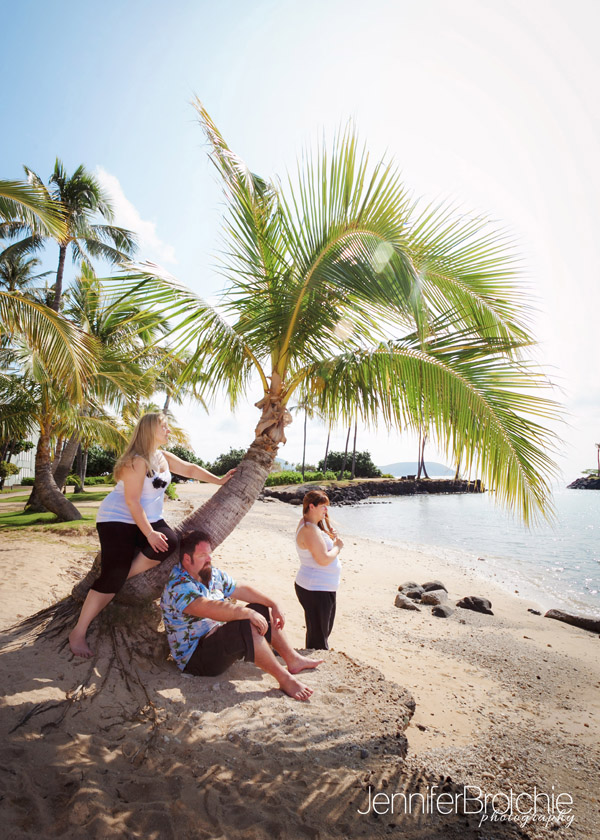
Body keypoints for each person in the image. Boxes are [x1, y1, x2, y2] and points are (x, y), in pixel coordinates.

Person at [68, 413, 234, 658]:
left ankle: (122, 572)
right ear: (149, 431)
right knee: (112, 577)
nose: (169, 431)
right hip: (118, 518)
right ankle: (78, 632)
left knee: (171, 542)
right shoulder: (136, 461)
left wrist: (218, 480)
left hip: (150, 516)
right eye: (164, 427)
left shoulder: (162, 457)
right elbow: (133, 502)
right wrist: (150, 534)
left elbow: (189, 468)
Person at [161, 530, 323, 701]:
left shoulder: (209, 572)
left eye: (210, 554)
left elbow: (240, 589)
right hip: (196, 659)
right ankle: (285, 679)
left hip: (216, 639)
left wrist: (273, 604)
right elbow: (208, 608)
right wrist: (245, 612)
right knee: (246, 623)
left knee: (261, 609)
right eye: (202, 555)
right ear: (187, 559)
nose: (209, 559)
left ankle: (293, 660)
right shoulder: (178, 586)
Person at [294, 489, 344, 650]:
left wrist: (329, 536)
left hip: (319, 586)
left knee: (320, 631)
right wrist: (337, 547)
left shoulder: (309, 524)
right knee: (319, 636)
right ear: (311, 506)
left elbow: (317, 545)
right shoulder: (309, 529)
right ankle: (313, 668)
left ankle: (312, 660)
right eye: (323, 506)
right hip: (316, 588)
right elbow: (322, 559)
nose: (326, 510)